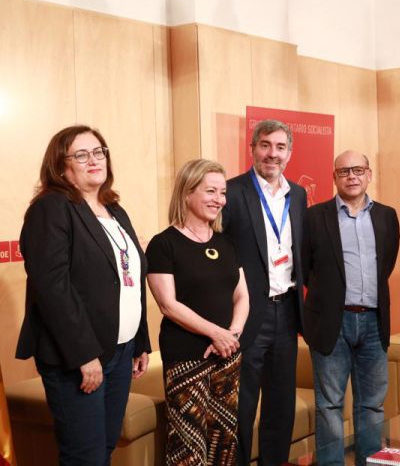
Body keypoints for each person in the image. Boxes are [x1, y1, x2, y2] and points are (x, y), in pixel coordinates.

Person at [15, 125, 151, 465]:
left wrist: (140, 342)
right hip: (78, 357)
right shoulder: (51, 208)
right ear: (60, 166)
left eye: (99, 152)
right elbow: (52, 288)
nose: (94, 160)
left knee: (103, 449)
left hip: (120, 350)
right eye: (81, 154)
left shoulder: (115, 210)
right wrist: (84, 355)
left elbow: (130, 279)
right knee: (84, 457)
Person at [146, 159, 249, 465]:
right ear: (187, 192)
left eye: (222, 192)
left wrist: (231, 335)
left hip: (227, 354)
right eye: (211, 191)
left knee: (224, 442)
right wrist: (216, 333)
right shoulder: (163, 244)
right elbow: (168, 304)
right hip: (186, 356)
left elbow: (242, 295)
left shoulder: (226, 243)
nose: (219, 199)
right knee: (188, 447)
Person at [302, 151, 400, 466]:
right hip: (332, 321)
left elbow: (386, 264)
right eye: (344, 171)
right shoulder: (314, 217)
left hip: (374, 321)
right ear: (334, 177)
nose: (352, 176)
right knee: (329, 405)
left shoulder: (387, 216)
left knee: (372, 405)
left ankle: (368, 462)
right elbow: (305, 268)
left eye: (358, 170)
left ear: (369, 174)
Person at [222, 119, 307, 466]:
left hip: (287, 312)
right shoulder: (231, 192)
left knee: (280, 406)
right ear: (252, 149)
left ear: (290, 152)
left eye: (280, 147)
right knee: (241, 407)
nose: (273, 154)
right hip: (246, 315)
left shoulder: (298, 194)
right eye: (265, 145)